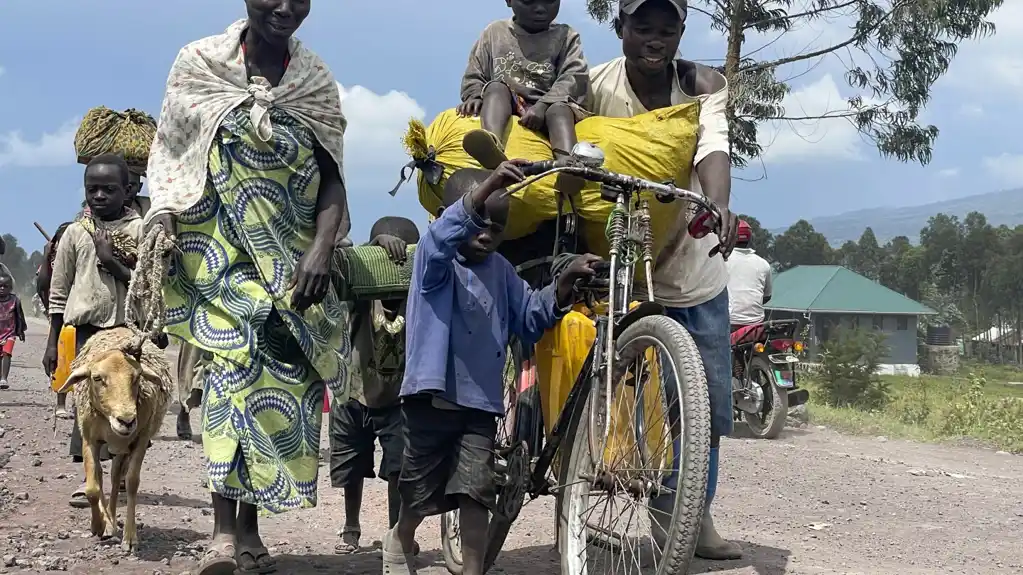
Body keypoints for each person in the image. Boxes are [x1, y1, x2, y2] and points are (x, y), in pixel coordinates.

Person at [145, 1, 351, 572]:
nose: (285, 7)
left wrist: (321, 248)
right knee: (230, 382)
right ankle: (222, 534)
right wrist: (162, 213)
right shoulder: (200, 64)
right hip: (218, 258)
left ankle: (252, 528)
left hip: (295, 273)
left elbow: (334, 179)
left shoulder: (315, 82)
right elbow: (173, 155)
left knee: (278, 396)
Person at [381, 159, 602, 575]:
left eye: (497, 227)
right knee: (419, 491)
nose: (485, 234)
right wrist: (489, 187)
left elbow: (531, 316)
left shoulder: (502, 273)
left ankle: (473, 569)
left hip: (480, 405)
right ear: (453, 217)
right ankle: (402, 536)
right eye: (476, 221)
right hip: (431, 400)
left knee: (476, 491)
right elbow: (441, 236)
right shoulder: (434, 264)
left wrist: (564, 285)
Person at [587, 0, 741, 560]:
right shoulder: (594, 84)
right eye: (642, 28)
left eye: (666, 29)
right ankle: (577, 495)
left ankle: (690, 515)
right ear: (620, 28)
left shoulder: (702, 84)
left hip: (692, 263)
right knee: (593, 391)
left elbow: (713, 146)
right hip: (617, 263)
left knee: (705, 408)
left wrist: (718, 204)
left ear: (681, 32)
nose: (654, 39)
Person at [42, 154, 145, 508]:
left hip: (126, 332)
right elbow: (58, 290)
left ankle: (122, 467)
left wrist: (112, 260)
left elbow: (147, 285)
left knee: (127, 401)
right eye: (92, 189)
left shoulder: (140, 231)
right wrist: (53, 342)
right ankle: (89, 479)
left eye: (109, 189)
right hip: (85, 331)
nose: (99, 196)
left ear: (128, 190)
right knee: (87, 405)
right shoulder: (74, 233)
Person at [330, 216, 420, 556]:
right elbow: (343, 262)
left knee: (400, 469)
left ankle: (397, 532)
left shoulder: (417, 297)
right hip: (353, 393)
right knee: (351, 468)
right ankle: (351, 527)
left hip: (400, 399)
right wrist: (375, 246)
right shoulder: (362, 295)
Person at [456, 0, 589, 171]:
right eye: (528, 2)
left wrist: (542, 106)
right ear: (509, 1)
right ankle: (491, 145)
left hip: (550, 105)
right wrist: (473, 95)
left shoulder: (566, 36)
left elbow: (574, 75)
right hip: (509, 102)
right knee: (495, 87)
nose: (540, 8)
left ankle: (569, 165)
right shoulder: (495, 32)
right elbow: (475, 71)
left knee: (559, 111)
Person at [726, 220, 772, 329]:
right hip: (756, 324)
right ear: (750, 239)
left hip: (729, 322)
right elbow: (767, 296)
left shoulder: (722, 260)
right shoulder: (763, 264)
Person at [0, 273, 27, 390]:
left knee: (7, 354)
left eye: (5, 286)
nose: (2, 288)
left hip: (9, 334)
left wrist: (20, 331)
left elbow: (19, 317)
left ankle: (4, 378)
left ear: (10, 288)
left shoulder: (15, 301)